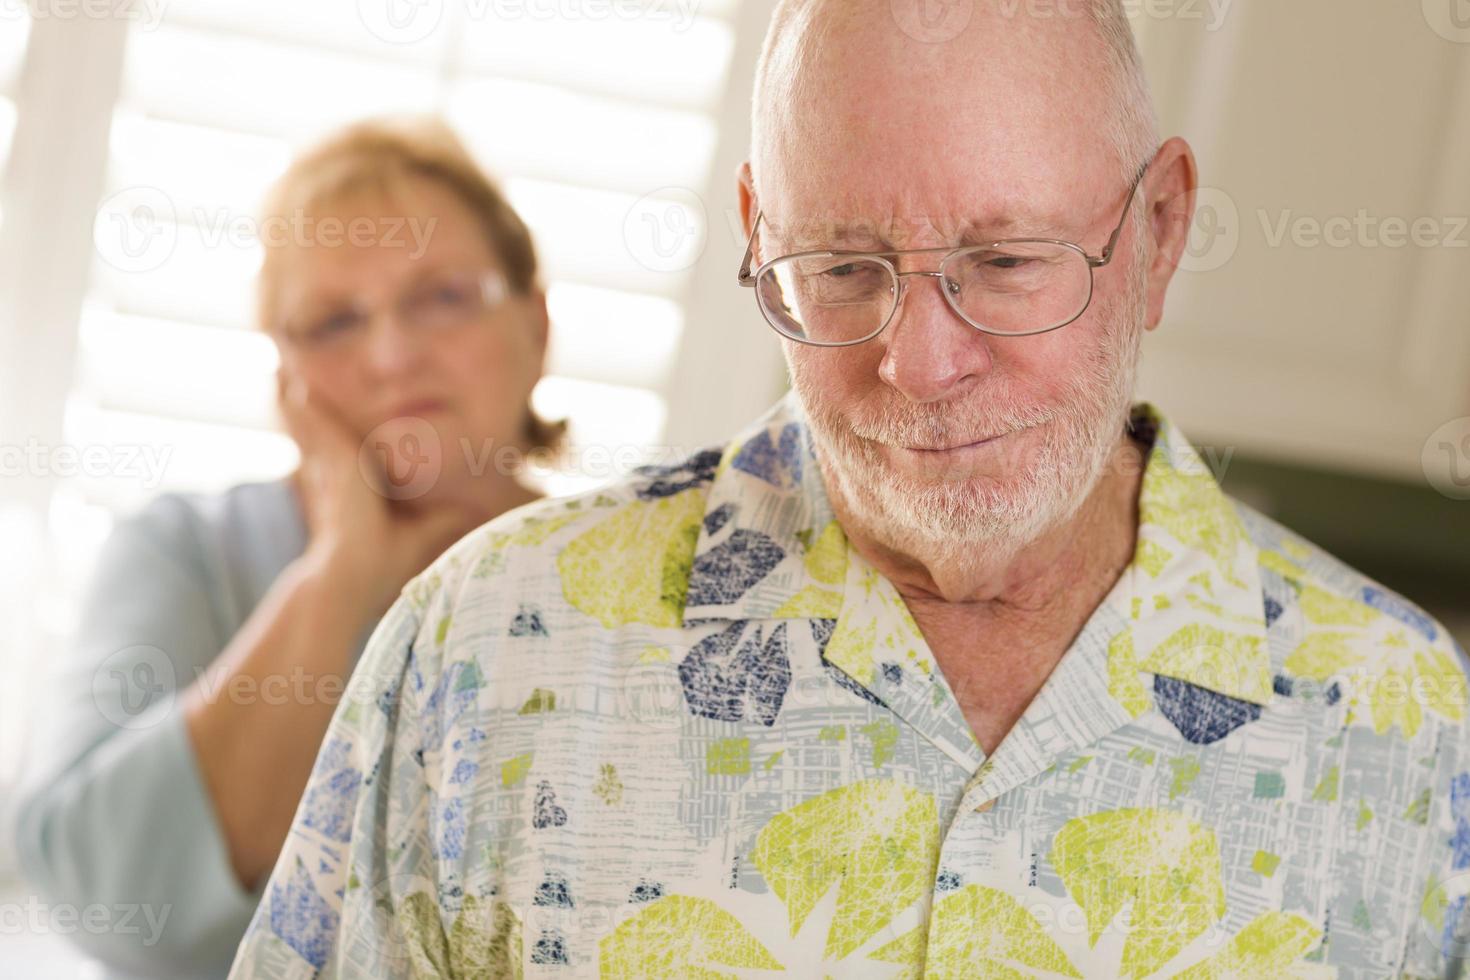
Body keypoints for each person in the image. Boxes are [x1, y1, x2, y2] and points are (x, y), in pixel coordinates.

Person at [229, 4, 1470, 977]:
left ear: (1158, 231)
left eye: (1006, 261)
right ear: (758, 230)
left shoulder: (1412, 723)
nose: (919, 363)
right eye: (841, 268)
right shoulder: (484, 644)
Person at [12, 116, 562, 978]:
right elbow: (110, 898)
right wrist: (342, 571)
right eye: (335, 322)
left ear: (534, 323)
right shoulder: (183, 551)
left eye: (443, 297)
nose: (392, 354)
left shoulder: (628, 574)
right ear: (285, 379)